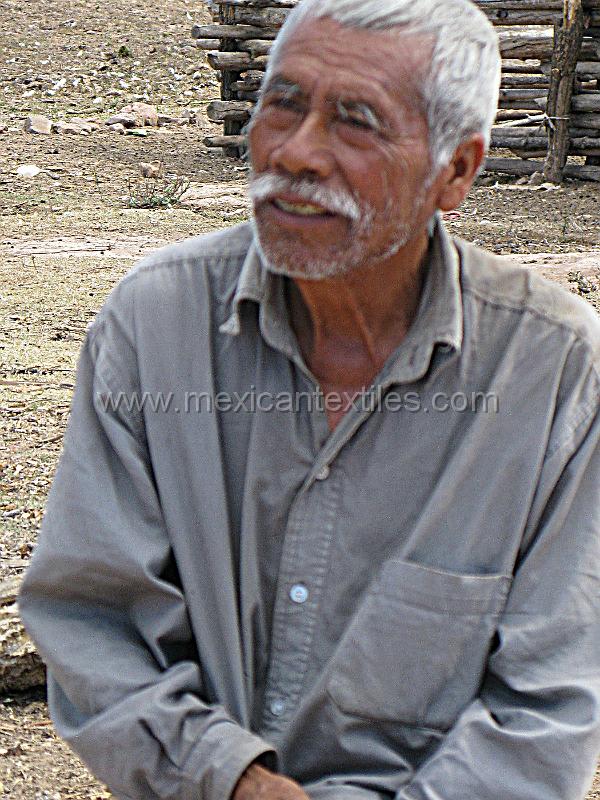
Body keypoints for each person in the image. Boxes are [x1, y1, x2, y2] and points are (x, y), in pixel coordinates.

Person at [19, 0, 600, 799]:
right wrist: (238, 783)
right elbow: (97, 623)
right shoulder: (155, 324)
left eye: (355, 122)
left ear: (456, 171)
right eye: (282, 105)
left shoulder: (555, 370)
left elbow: (543, 710)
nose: (295, 153)